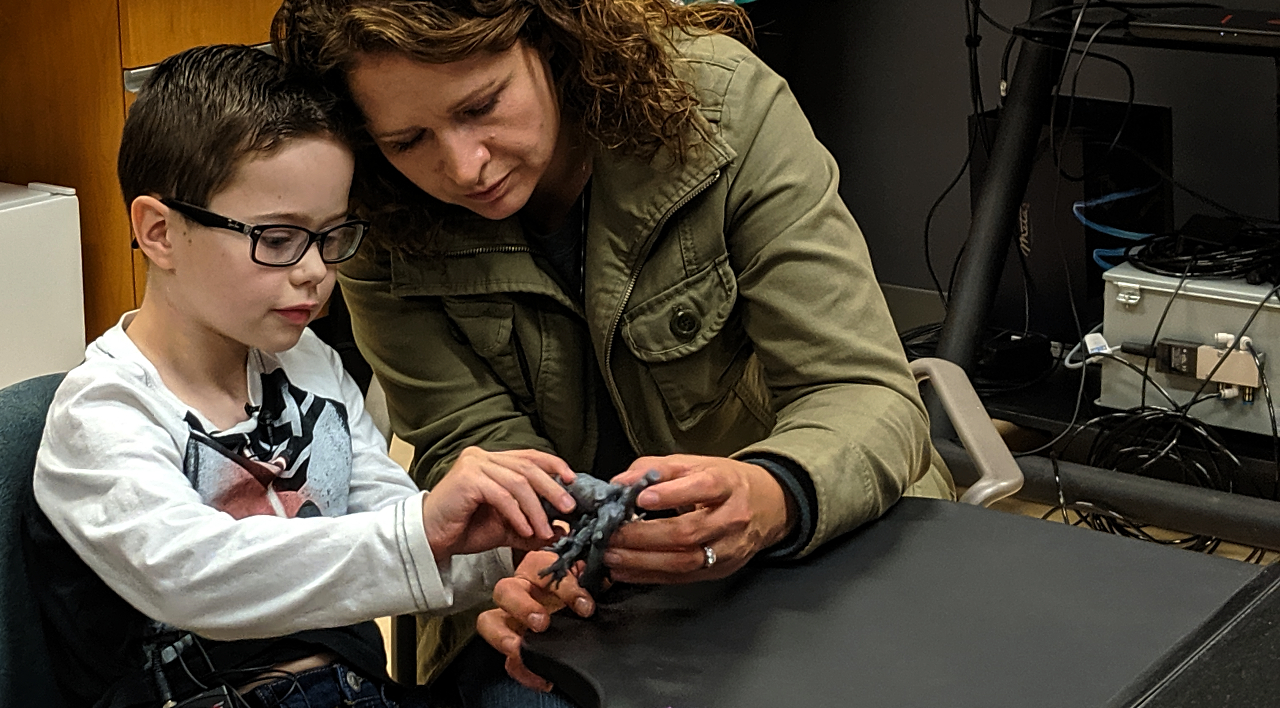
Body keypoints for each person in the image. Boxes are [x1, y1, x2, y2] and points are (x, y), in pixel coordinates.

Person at [272, 0, 955, 693]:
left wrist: (771, 491)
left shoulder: (716, 106)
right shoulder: (377, 209)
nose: (465, 166)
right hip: (573, 593)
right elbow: (466, 437)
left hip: (808, 547)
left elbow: (863, 391)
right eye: (408, 140)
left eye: (481, 106)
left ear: (551, 37)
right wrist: (533, 552)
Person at [27, 44, 581, 708]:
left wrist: (512, 553)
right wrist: (422, 529)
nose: (315, 271)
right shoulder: (103, 413)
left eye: (332, 235)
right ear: (160, 233)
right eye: (279, 238)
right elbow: (194, 575)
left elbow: (395, 532)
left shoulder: (309, 362)